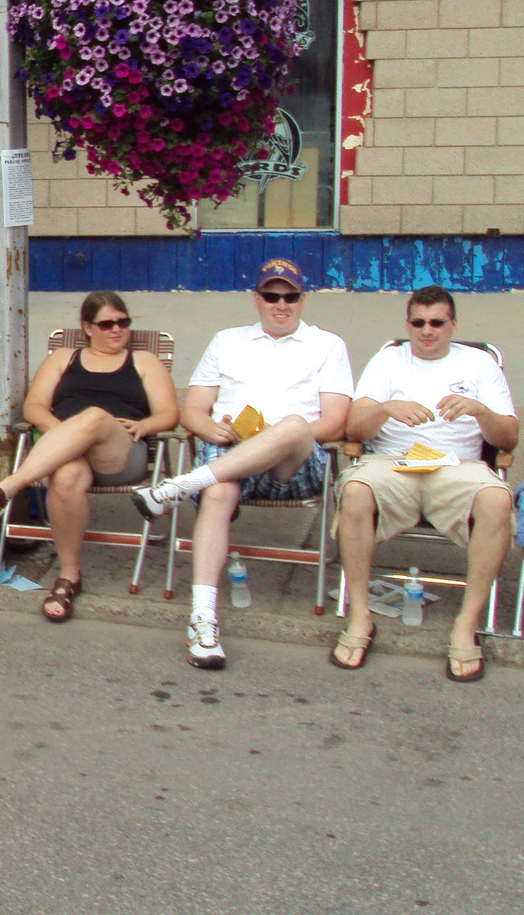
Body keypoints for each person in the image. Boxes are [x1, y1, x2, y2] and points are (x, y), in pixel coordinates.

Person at [132, 260, 353, 670]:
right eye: (272, 296)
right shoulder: (227, 341)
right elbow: (193, 410)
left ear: (303, 300)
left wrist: (277, 436)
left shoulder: (327, 345)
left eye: (290, 296)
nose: (281, 304)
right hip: (231, 450)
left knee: (290, 425)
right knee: (218, 491)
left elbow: (336, 420)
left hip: (293, 463)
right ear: (257, 299)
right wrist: (211, 429)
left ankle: (177, 487)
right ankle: (203, 621)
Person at [330, 286, 517, 681]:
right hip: (392, 463)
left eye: (436, 322)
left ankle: (466, 626)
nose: (427, 330)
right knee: (355, 490)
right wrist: (384, 408)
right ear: (408, 324)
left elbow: (508, 440)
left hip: (457, 467)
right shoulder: (388, 361)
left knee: (498, 501)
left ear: (453, 325)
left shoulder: (480, 365)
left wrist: (481, 412)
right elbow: (354, 429)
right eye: (418, 322)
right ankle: (360, 616)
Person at [0, 291, 180, 623]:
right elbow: (34, 407)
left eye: (123, 322)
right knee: (64, 478)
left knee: (92, 417)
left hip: (119, 451)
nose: (117, 330)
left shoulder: (143, 361)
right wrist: (62, 433)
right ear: (87, 327)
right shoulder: (64, 358)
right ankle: (68, 577)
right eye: (107, 324)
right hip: (65, 452)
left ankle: (6, 489)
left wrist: (145, 424)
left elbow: (169, 413)